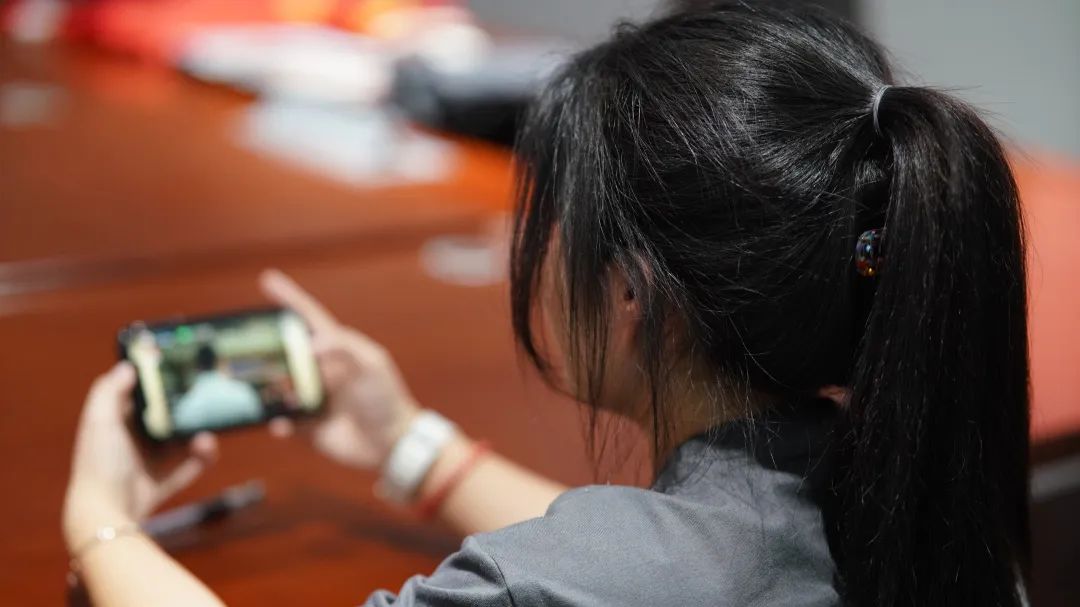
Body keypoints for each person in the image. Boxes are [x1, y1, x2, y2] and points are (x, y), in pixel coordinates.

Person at [61, 3, 1031, 606]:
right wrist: (406, 443)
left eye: (561, 221)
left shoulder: (562, 582)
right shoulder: (918, 500)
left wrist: (101, 518)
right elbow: (665, 554)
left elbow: (610, 571)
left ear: (630, 293)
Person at [171, 345, 263, 432]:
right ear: (218, 362)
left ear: (197, 367)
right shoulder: (243, 393)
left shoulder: (186, 406)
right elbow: (258, 421)